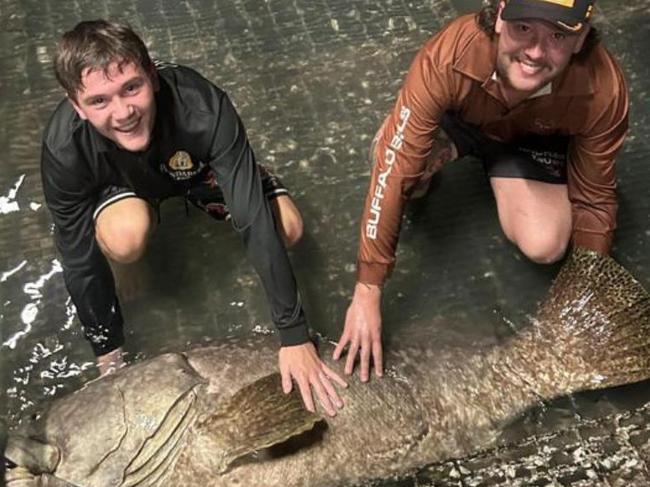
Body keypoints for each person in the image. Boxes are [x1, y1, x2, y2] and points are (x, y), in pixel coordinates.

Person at [42, 20, 346, 416]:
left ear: (151, 75)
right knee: (126, 241)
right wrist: (108, 355)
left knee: (287, 227)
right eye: (100, 101)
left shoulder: (201, 105)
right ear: (76, 106)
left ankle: (243, 167)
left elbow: (254, 219)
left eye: (131, 87)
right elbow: (78, 258)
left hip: (195, 166)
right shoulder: (65, 149)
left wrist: (293, 336)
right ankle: (127, 254)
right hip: (122, 183)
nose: (123, 112)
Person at [334, 0, 629, 381]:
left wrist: (583, 301)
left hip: (532, 139)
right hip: (464, 121)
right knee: (391, 157)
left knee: (546, 244)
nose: (536, 51)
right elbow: (395, 167)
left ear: (581, 38)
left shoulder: (603, 88)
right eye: (524, 28)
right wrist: (367, 289)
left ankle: (500, 172)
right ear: (501, 14)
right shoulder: (450, 53)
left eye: (558, 35)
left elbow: (595, 200)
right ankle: (457, 153)